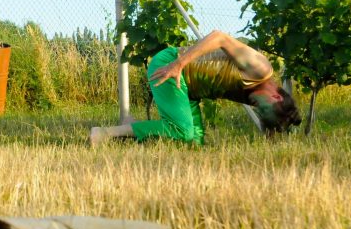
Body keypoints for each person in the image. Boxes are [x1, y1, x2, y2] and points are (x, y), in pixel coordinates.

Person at [90, 30, 301, 146]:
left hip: (189, 89)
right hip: (170, 66)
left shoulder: (261, 96)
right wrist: (178, 64)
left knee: (192, 144)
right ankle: (105, 134)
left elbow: (271, 126)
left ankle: (132, 127)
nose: (256, 107)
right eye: (262, 108)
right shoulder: (259, 67)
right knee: (182, 133)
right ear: (276, 97)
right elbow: (219, 37)